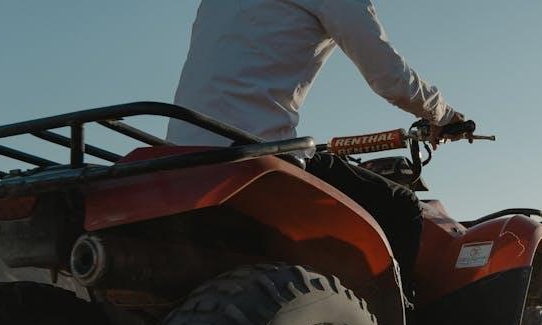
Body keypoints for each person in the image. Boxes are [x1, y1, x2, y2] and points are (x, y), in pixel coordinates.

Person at [165, 0, 469, 293]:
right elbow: (389, 76)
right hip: (254, 151)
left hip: (179, 154)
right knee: (400, 207)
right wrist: (442, 114)